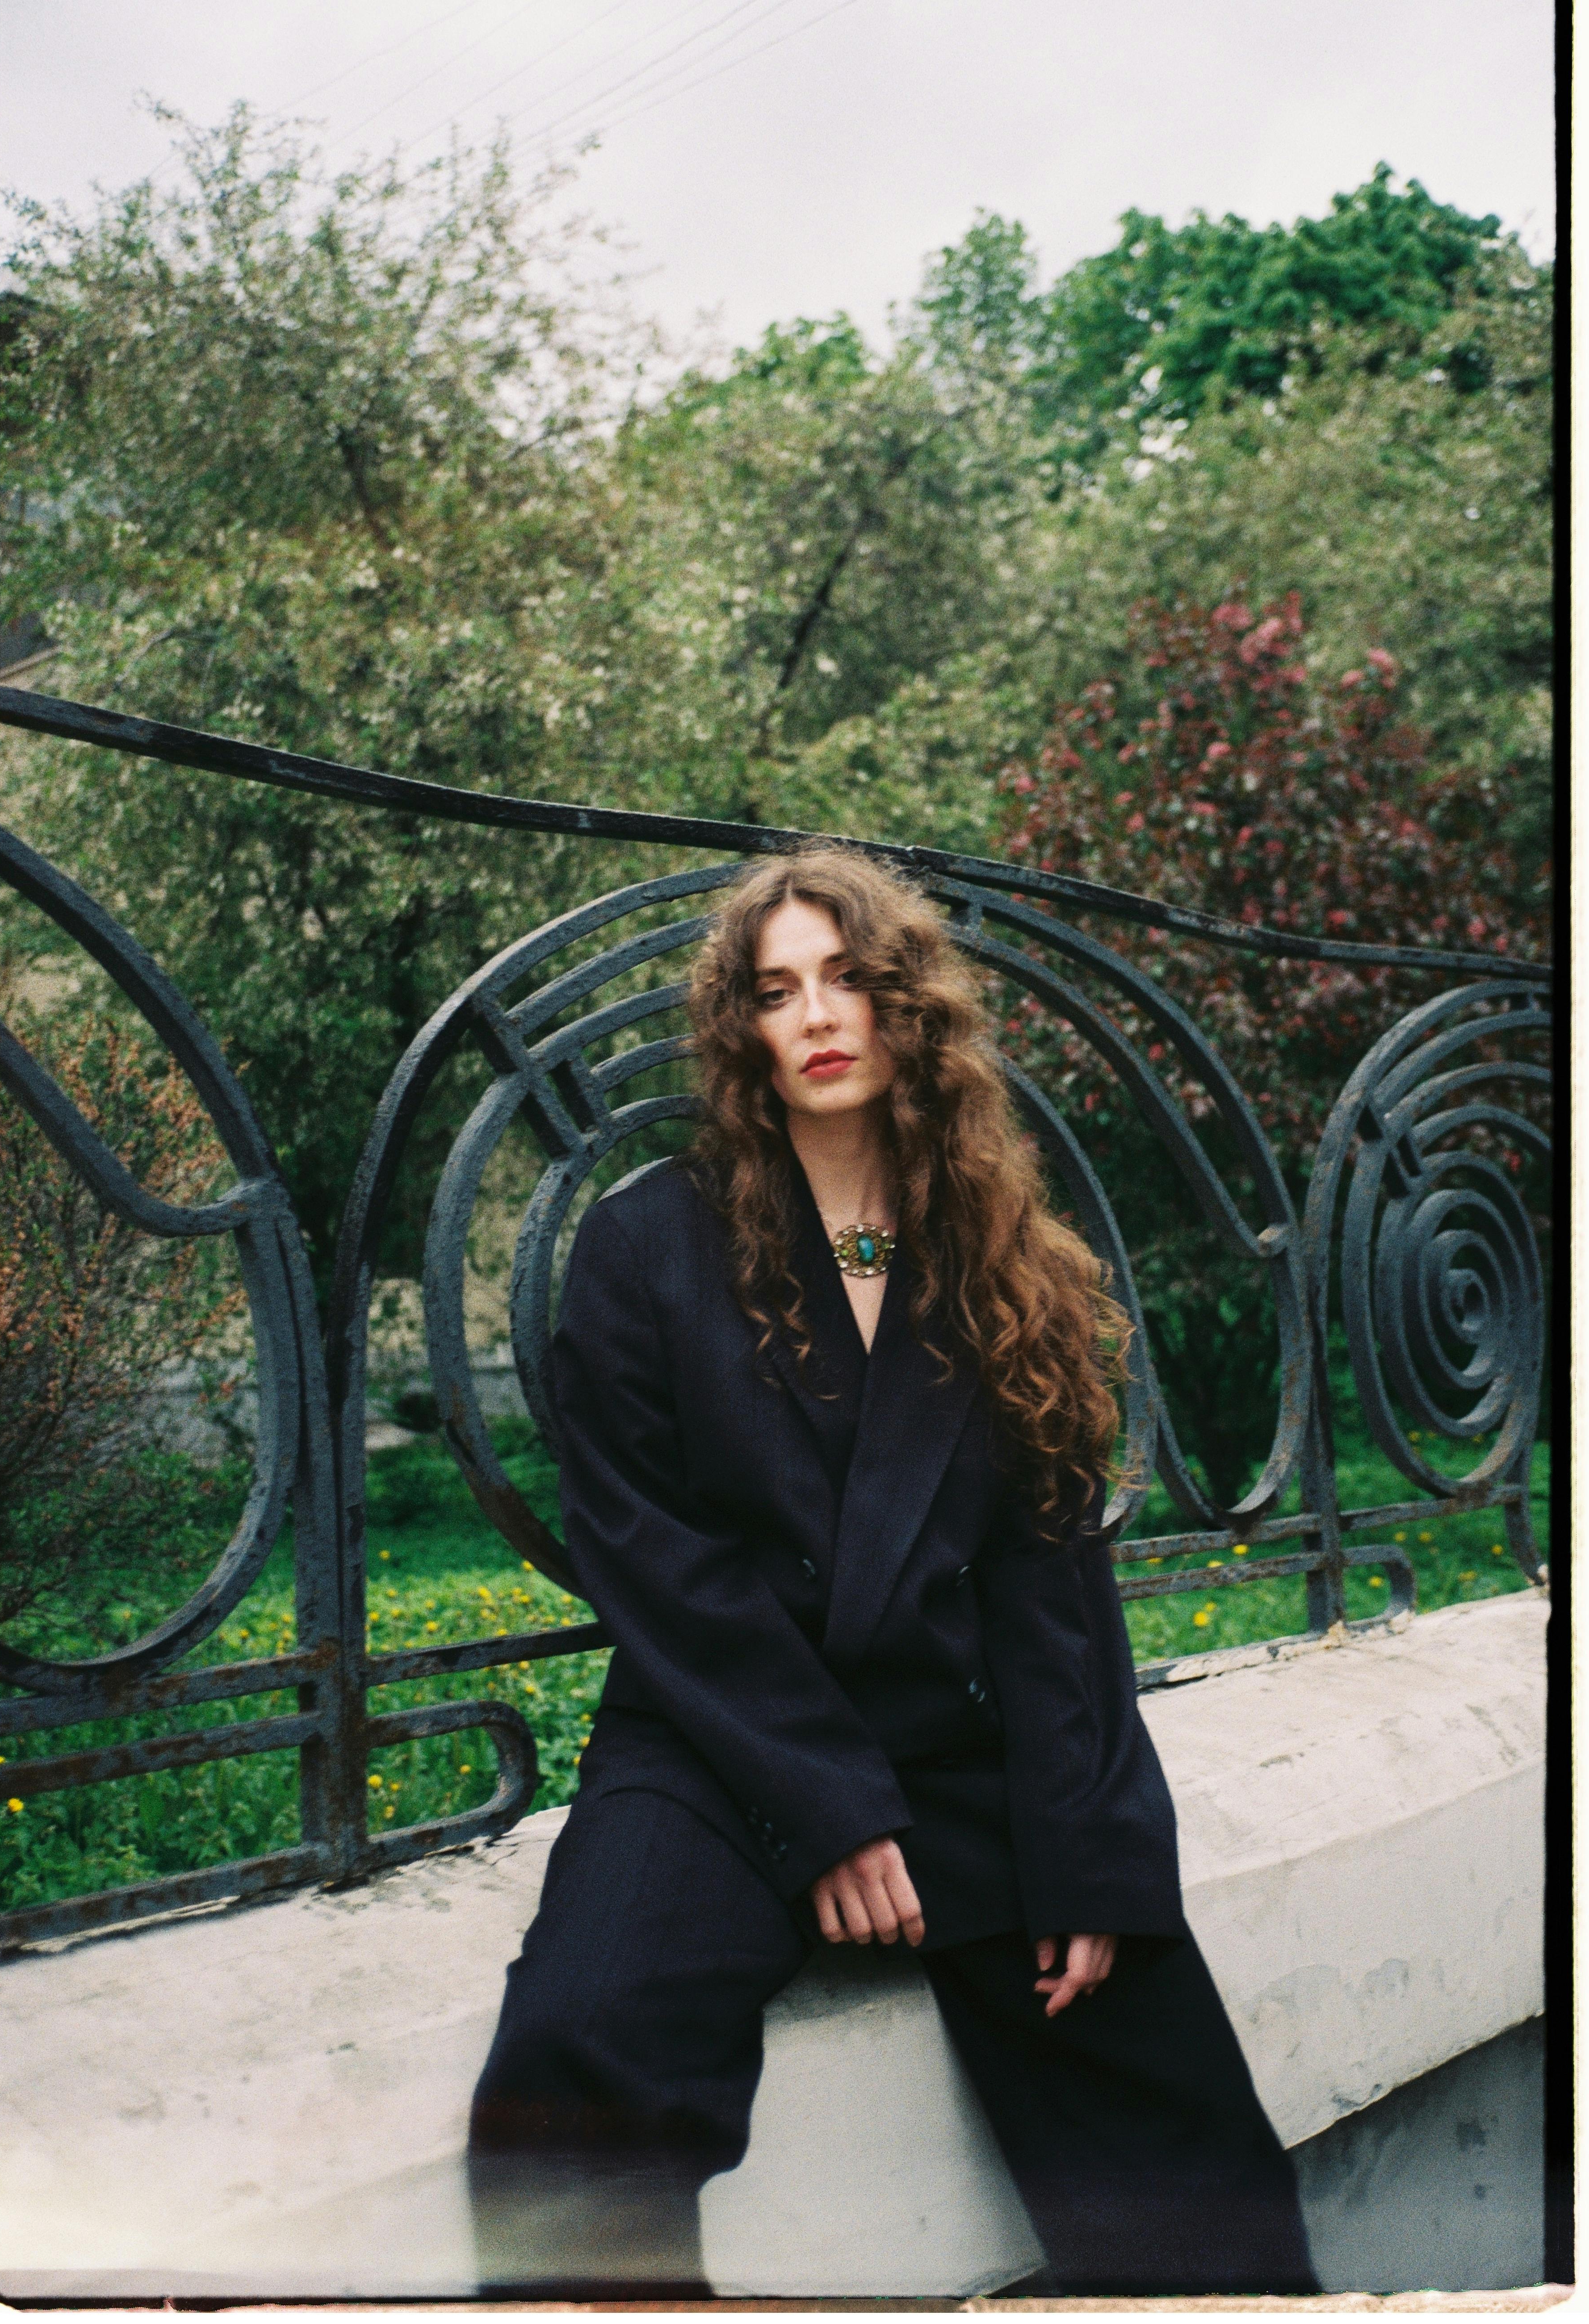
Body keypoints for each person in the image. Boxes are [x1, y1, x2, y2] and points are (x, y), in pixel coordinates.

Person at [467, 845, 1318, 2299]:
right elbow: (653, 1560)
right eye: (775, 988)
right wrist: (830, 1806)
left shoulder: (1001, 1259)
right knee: (580, 2057)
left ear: (906, 1004)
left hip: (960, 1735)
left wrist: (1090, 1852)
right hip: (721, 1741)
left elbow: (1050, 1583)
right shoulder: (643, 1245)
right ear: (740, 1028)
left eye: (848, 977)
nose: (816, 1013)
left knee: (1167, 2116)